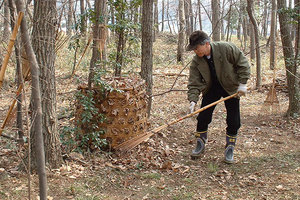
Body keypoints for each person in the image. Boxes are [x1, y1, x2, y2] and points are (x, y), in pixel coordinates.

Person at [186, 30, 250, 163]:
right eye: (193, 49)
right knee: (203, 116)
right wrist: (193, 99)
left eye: (197, 48)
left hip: (230, 87)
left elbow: (243, 63)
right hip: (212, 88)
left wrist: (242, 83)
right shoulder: (196, 61)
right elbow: (194, 81)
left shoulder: (226, 48)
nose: (195, 51)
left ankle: (230, 146)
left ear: (206, 44)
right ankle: (200, 141)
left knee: (234, 120)